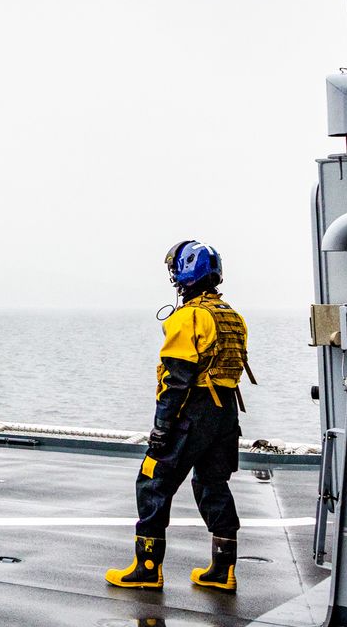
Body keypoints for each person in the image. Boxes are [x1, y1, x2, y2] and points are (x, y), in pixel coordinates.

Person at [104, 240, 250, 593]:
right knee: (212, 483)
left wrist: (162, 428)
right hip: (226, 411)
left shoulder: (189, 317)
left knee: (153, 480)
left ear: (183, 272)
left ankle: (147, 568)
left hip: (194, 410)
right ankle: (222, 570)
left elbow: (177, 378)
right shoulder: (231, 315)